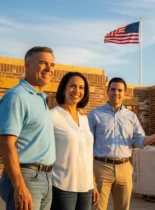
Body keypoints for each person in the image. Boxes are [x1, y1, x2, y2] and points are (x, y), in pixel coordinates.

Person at [88, 77, 155, 210]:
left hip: (124, 168)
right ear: (107, 91)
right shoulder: (95, 115)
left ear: (124, 93)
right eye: (113, 89)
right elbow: (88, 145)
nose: (116, 93)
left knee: (123, 208)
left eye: (120, 90)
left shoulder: (131, 116)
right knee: (97, 207)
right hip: (101, 168)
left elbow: (139, 141)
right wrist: (90, 176)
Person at [0, 46, 56, 210]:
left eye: (52, 65)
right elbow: (6, 143)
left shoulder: (41, 98)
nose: (49, 69)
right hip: (26, 176)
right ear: (27, 65)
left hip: (46, 177)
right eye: (43, 63)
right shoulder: (17, 97)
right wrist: (19, 187)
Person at [50, 72, 99, 210]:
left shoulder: (84, 118)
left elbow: (88, 155)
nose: (77, 91)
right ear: (64, 89)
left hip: (86, 187)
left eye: (81, 87)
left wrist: (93, 183)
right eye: (72, 86)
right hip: (62, 185)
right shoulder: (53, 116)